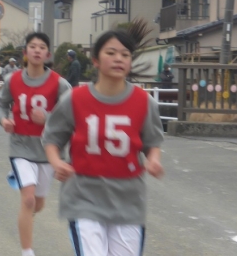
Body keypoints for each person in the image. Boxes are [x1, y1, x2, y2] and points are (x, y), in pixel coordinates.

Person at [43, 29, 164, 256]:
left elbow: (152, 142)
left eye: (125, 54)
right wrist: (56, 162)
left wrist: (154, 160)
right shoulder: (75, 99)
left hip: (128, 201)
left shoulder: (143, 102)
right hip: (84, 197)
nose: (119, 58)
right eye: (111, 52)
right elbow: (52, 137)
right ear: (96, 60)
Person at [0, 32, 72, 256]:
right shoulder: (13, 80)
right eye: (33, 46)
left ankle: (28, 215)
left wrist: (48, 117)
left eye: (41, 47)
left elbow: (72, 114)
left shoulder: (59, 83)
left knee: (37, 204)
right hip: (20, 147)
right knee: (28, 199)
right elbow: (0, 105)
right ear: (25, 52)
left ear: (48, 54)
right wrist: (4, 120)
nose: (37, 50)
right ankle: (27, 251)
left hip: (48, 151)